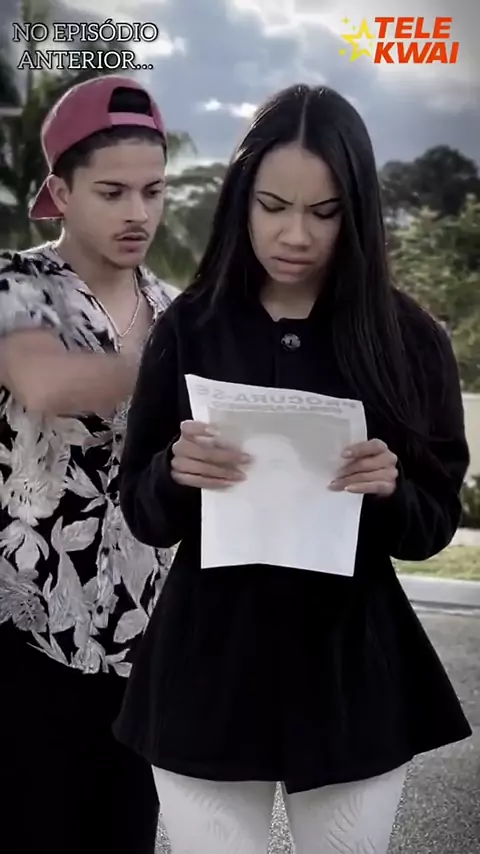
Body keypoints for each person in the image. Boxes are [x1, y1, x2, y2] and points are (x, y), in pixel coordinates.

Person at [112, 84, 472, 853]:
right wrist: (174, 470)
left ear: (358, 213)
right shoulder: (190, 326)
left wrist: (391, 488)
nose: (296, 234)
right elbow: (140, 508)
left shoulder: (409, 340)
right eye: (273, 206)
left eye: (325, 211)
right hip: (205, 673)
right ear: (241, 198)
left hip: (351, 680)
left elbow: (434, 523)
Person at [0, 75, 178, 854]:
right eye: (112, 192)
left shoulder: (176, 309)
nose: (138, 212)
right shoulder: (15, 285)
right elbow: (47, 382)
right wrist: (187, 368)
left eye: (153, 191)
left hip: (144, 636)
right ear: (61, 192)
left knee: (126, 837)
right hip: (24, 630)